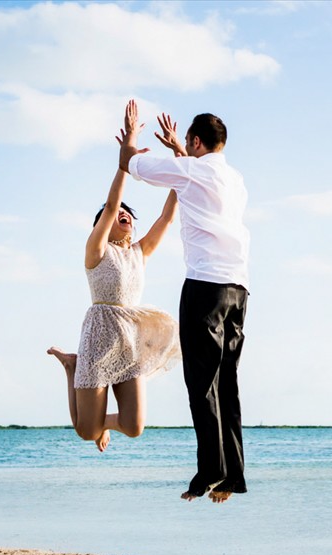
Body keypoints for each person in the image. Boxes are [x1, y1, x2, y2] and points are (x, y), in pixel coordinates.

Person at [119, 100, 250, 504]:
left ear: (196, 142)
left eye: (189, 145)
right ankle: (232, 475)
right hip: (239, 290)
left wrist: (131, 141)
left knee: (200, 383)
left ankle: (211, 469)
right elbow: (190, 179)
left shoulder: (191, 170)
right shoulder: (235, 179)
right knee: (226, 383)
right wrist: (180, 148)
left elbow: (134, 167)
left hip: (205, 287)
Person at [48, 102, 181, 453]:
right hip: (99, 334)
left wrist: (182, 160)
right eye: (117, 213)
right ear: (101, 228)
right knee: (86, 432)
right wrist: (126, 160)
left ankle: (85, 392)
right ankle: (72, 367)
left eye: (128, 213)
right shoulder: (97, 251)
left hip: (130, 338)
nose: (123, 213)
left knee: (134, 428)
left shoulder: (139, 252)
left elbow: (167, 218)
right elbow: (110, 206)